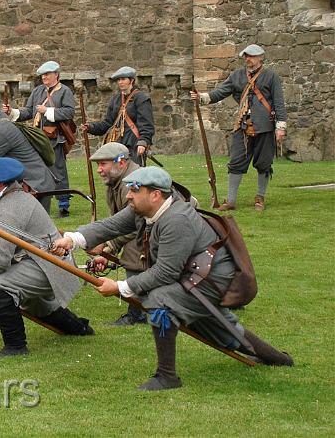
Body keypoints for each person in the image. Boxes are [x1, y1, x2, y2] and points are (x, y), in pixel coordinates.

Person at [51, 166, 293, 391]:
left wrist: (121, 287)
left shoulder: (177, 220)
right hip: (192, 276)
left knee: (160, 301)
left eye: (135, 190)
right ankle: (279, 358)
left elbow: (166, 272)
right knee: (224, 327)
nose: (129, 196)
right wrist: (72, 239)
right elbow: (110, 226)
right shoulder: (144, 209)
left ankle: (167, 376)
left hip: (211, 280)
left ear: (156, 195)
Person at [0, 157, 92, 357]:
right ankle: (79, 329)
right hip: (29, 261)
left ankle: (16, 347)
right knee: (38, 305)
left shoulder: (11, 208)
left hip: (48, 265)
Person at [190, 44, 287, 212]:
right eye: (246, 56)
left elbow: (278, 103)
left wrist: (280, 127)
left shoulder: (271, 76)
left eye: (251, 56)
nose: (247, 59)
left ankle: (260, 197)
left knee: (264, 163)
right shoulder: (237, 76)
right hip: (242, 126)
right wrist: (202, 97)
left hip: (265, 127)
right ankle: (231, 200)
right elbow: (220, 92)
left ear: (260, 57)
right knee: (236, 162)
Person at [3, 61, 76, 217]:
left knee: (58, 170)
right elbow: (29, 112)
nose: (44, 77)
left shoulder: (64, 91)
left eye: (47, 74)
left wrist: (47, 111)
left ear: (56, 74)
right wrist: (11, 111)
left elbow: (69, 112)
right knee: (39, 170)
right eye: (43, 75)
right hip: (37, 138)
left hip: (55, 138)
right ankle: (41, 197)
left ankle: (64, 204)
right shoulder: (37, 91)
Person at [87, 142, 146, 326]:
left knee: (134, 249)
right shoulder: (117, 183)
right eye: (98, 165)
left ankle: (137, 313)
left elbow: (137, 225)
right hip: (152, 228)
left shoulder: (131, 184)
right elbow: (120, 223)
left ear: (121, 163)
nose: (99, 170)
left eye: (103, 164)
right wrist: (108, 252)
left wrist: (109, 246)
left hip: (166, 230)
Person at [83, 66, 154, 166]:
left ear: (132, 80)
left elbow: (146, 125)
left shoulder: (142, 99)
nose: (120, 82)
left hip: (134, 145)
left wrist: (143, 142)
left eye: (123, 79)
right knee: (117, 175)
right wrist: (91, 127)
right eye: (119, 79)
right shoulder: (116, 99)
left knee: (134, 177)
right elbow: (108, 123)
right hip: (117, 146)